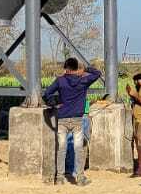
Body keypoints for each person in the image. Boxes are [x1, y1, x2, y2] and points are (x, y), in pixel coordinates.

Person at [43, 56, 101, 186]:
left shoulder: (60, 81)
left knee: (61, 149)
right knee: (78, 149)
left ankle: (59, 178)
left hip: (62, 119)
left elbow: (46, 94)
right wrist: (85, 69)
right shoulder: (83, 81)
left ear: (66, 69)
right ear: (76, 68)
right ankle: (80, 178)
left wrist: (55, 103)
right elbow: (97, 73)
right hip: (77, 119)